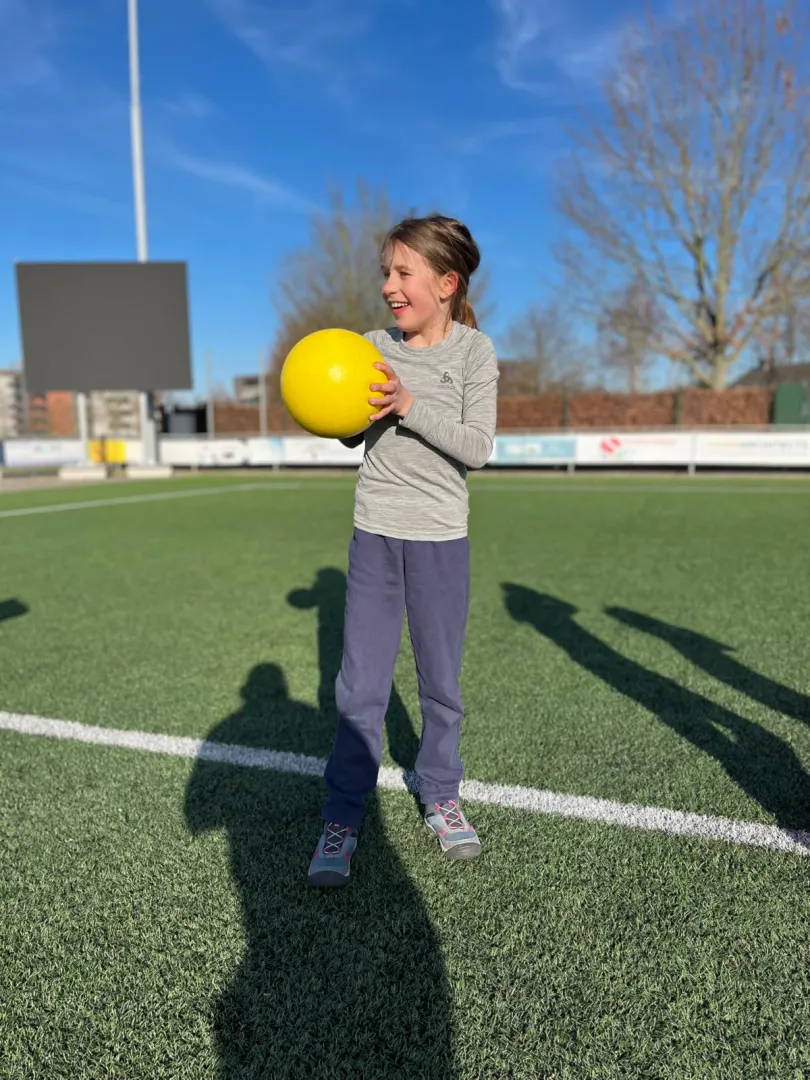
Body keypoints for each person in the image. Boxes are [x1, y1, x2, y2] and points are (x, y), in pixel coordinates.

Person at [308, 214, 499, 887]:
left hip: (441, 540)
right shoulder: (369, 346)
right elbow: (347, 430)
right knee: (360, 686)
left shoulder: (475, 353)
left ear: (446, 283)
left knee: (440, 683)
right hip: (375, 534)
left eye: (402, 272)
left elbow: (478, 447)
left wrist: (409, 402)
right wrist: (338, 407)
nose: (388, 285)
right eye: (385, 273)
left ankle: (440, 794)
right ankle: (342, 814)